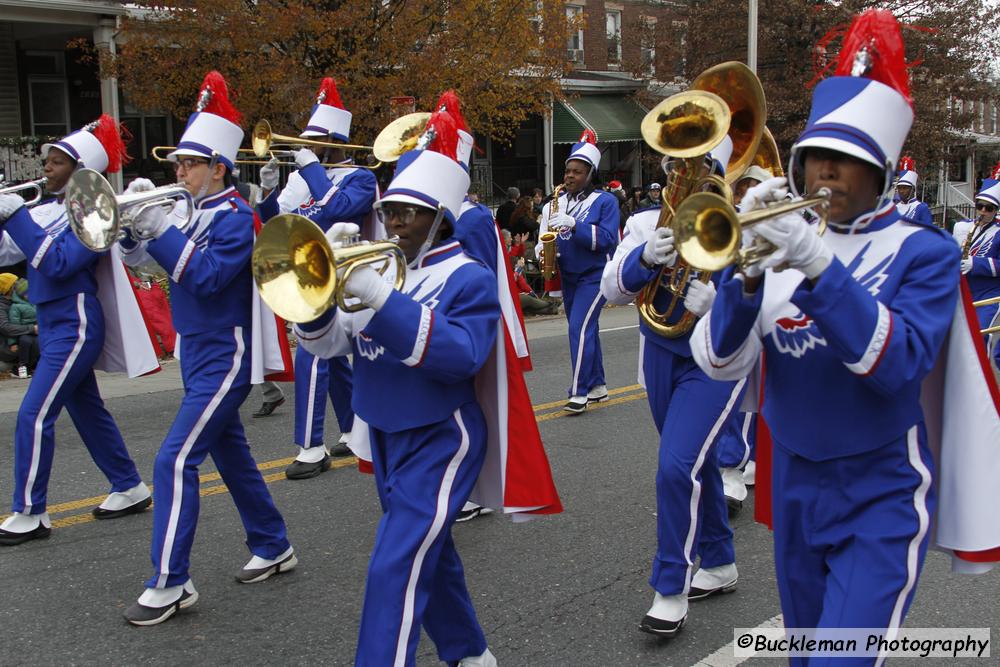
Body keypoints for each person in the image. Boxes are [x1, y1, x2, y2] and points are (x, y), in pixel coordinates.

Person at [690, 10, 960, 646]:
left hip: (882, 490)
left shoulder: (925, 252)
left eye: (846, 161)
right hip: (795, 484)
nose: (825, 175)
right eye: (816, 159)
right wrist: (747, 274)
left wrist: (813, 265)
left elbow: (895, 366)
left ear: (881, 173)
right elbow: (720, 362)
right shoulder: (787, 237)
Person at [296, 107, 500, 667]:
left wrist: (381, 297)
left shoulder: (468, 276)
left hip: (440, 435)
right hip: (383, 431)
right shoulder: (380, 267)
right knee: (426, 556)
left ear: (440, 219)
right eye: (389, 212)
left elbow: (461, 356)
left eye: (410, 213)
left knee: (395, 567)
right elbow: (333, 343)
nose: (396, 223)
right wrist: (315, 292)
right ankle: (469, 652)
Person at [119, 71, 294, 625]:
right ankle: (273, 543)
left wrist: (161, 229)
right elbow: (145, 265)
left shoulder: (238, 217)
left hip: (227, 350)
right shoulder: (188, 212)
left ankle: (171, 581)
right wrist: (134, 230)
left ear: (219, 167)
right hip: (195, 350)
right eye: (177, 164)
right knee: (232, 455)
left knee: (174, 459)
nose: (178, 172)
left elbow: (211, 278)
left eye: (188, 164)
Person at [601, 134, 741, 638]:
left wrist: (719, 308)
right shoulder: (644, 221)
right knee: (691, 464)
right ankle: (721, 560)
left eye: (700, 163)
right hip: (660, 353)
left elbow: (767, 308)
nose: (684, 171)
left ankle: (669, 588)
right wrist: (644, 258)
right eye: (679, 162)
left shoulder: (739, 223)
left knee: (674, 467)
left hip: (715, 362)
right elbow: (611, 289)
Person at [0, 115, 155, 546]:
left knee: (33, 414)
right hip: (51, 321)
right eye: (46, 160)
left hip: (75, 319)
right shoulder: (41, 209)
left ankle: (30, 512)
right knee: (86, 410)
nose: (45, 168)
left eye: (55, 162)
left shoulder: (95, 213)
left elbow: (59, 263)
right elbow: (7, 250)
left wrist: (15, 217)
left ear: (81, 171)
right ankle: (128, 485)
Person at [257, 77, 376, 478]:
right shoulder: (307, 177)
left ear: (336, 142)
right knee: (333, 359)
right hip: (308, 271)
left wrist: (310, 170)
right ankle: (349, 428)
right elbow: (275, 222)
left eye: (313, 140)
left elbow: (335, 211)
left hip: (344, 274)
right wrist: (269, 190)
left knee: (310, 355)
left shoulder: (362, 176)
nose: (303, 147)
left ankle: (311, 446)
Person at [537, 129, 619, 412]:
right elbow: (546, 237)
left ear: (589, 174)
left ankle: (579, 391)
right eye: (567, 171)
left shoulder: (605, 201)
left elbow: (608, 239)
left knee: (578, 329)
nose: (569, 176)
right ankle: (597, 385)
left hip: (595, 274)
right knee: (587, 329)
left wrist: (575, 224)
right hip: (568, 275)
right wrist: (541, 248)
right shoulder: (553, 203)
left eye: (577, 172)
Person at [954, 163, 1000, 344]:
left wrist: (976, 264)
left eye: (989, 208)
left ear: (996, 211)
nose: (983, 211)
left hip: (989, 293)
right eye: (980, 206)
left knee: (980, 337)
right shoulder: (962, 226)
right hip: (962, 290)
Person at [0, 274, 38, 378]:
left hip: (21, 339)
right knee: (31, 342)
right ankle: (21, 368)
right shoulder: (2, 306)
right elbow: (6, 328)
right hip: (8, 346)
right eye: (16, 283)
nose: (19, 284)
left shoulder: (21, 300)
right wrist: (32, 328)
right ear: (10, 288)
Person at [893, 156, 932, 226]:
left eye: (905, 188)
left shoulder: (921, 208)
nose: (901, 191)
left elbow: (927, 232)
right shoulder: (894, 208)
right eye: (900, 188)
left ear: (913, 189)